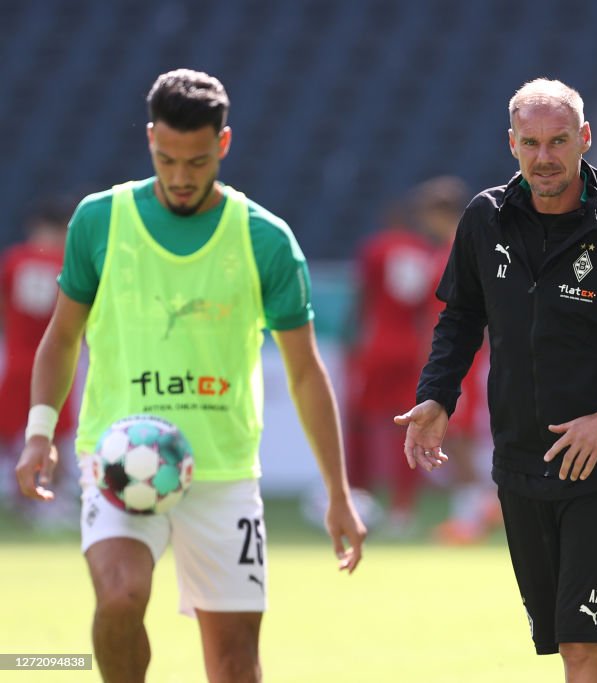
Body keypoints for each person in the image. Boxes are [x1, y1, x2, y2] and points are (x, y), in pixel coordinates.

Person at [15, 69, 366, 683]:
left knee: (234, 664)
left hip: (223, 474)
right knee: (120, 597)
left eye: (197, 161)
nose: (180, 176)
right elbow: (62, 336)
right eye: (166, 158)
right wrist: (40, 432)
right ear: (151, 139)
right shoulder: (98, 221)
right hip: (117, 459)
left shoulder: (266, 240)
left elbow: (307, 373)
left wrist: (337, 492)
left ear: (223, 145)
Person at [396, 78, 597, 681]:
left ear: (584, 138)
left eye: (558, 141)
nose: (545, 157)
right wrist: (436, 394)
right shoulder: (484, 218)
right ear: (512, 144)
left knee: (585, 649)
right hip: (518, 461)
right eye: (530, 143)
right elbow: (461, 316)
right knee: (568, 647)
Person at [408, 175, 499, 545]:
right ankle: (482, 508)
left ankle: (471, 517)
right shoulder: (449, 249)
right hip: (452, 358)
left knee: (456, 435)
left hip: (465, 359)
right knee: (454, 435)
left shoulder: (460, 250)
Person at [341, 198, 437, 534]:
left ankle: (359, 499)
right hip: (412, 349)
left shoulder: (376, 248)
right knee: (410, 427)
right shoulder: (425, 251)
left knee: (361, 424)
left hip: (376, 347)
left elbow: (362, 296)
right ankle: (402, 509)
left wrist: (350, 338)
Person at [0, 199, 77, 525]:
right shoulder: (66, 262)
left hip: (17, 358)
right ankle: (49, 501)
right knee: (53, 433)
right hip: (55, 361)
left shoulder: (13, 261)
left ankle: (18, 495)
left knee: (8, 430)